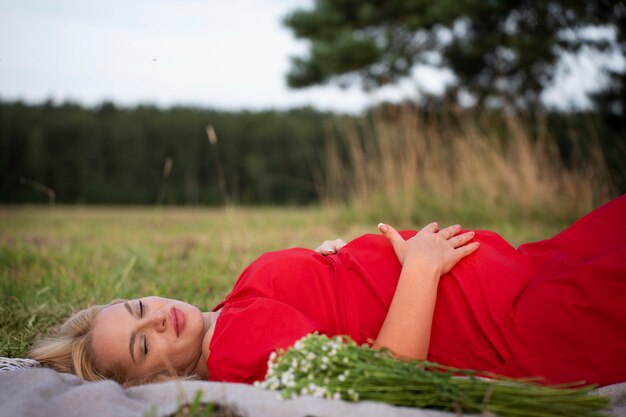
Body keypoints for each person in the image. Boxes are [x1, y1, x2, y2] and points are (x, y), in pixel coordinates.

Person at [28, 195, 626, 388]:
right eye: (141, 345)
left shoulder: (226, 315)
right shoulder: (234, 347)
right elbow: (386, 369)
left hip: (511, 278)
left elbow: (320, 311)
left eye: (138, 308)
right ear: (157, 381)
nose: (157, 321)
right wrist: (417, 266)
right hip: (504, 321)